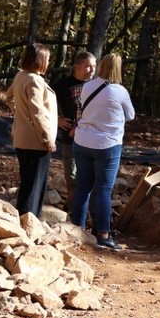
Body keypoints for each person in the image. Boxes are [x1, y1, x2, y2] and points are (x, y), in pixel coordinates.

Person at [70, 54, 135, 250]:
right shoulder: (120, 91)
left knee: (83, 187)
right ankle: (103, 234)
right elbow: (130, 115)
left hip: (82, 141)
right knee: (104, 190)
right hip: (107, 145)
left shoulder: (87, 86)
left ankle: (77, 229)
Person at [5, 43, 58, 217]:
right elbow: (38, 111)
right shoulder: (34, 80)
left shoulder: (20, 75)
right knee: (34, 185)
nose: (48, 62)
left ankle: (24, 219)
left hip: (22, 138)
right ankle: (28, 220)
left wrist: (19, 113)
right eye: (47, 59)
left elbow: (9, 97)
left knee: (28, 182)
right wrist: (47, 138)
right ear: (39, 60)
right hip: (36, 141)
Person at [52, 51, 96, 207]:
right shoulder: (62, 85)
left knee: (88, 176)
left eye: (94, 66)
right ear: (77, 66)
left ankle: (88, 210)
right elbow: (46, 104)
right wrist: (56, 119)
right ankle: (73, 209)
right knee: (71, 176)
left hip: (91, 138)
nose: (92, 70)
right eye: (88, 66)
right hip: (69, 138)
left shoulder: (96, 86)